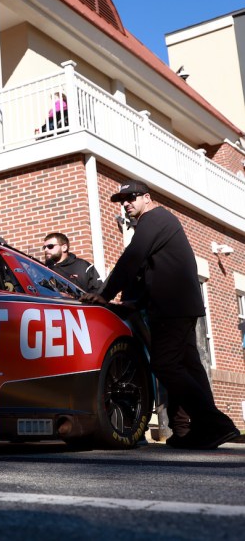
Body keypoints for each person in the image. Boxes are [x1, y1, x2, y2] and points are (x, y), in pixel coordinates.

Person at [81, 180, 240, 449]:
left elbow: (133, 258)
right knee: (188, 367)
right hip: (177, 306)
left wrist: (105, 294)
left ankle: (216, 425)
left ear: (146, 197)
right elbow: (150, 271)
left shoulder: (155, 218)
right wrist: (134, 302)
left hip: (172, 308)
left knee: (165, 365)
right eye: (122, 200)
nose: (127, 203)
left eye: (131, 197)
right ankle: (195, 430)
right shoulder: (159, 223)